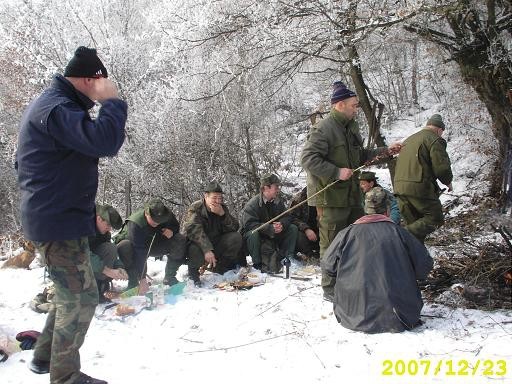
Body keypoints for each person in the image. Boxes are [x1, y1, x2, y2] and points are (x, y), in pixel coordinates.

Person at [16, 46, 127, 383]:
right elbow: (105, 141)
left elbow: (22, 162)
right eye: (99, 83)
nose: (103, 88)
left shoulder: (54, 105)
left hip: (58, 219)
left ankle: (44, 357)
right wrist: (113, 102)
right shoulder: (57, 108)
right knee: (81, 297)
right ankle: (64, 377)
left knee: (71, 294)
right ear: (86, 79)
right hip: (57, 223)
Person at [301, 81, 401, 301]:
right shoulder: (323, 129)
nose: (356, 109)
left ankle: (352, 281)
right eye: (354, 105)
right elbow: (308, 159)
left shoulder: (350, 127)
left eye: (357, 105)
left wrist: (386, 151)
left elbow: (361, 156)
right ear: (340, 105)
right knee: (331, 244)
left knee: (356, 239)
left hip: (352, 198)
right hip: (331, 199)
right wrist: (336, 172)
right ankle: (330, 290)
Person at [322, 186, 433, 333]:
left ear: (365, 209)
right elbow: (424, 266)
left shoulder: (347, 233)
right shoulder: (400, 233)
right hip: (399, 315)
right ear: (387, 210)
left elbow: (328, 266)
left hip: (352, 314)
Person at [394, 114, 453, 242]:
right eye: (441, 132)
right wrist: (448, 181)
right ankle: (399, 235)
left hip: (399, 187)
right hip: (418, 187)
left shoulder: (408, 140)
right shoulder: (434, 139)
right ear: (439, 129)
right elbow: (442, 168)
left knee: (416, 231)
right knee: (435, 219)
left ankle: (412, 258)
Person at [114, 199, 187, 290]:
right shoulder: (135, 223)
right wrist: (142, 278)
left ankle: (170, 276)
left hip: (154, 243)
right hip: (134, 246)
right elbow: (139, 252)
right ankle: (133, 281)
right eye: (154, 220)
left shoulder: (166, 214)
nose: (157, 223)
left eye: (160, 221)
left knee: (180, 239)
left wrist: (171, 231)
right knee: (125, 247)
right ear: (147, 213)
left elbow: (175, 226)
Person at [183, 181, 244, 286]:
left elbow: (235, 227)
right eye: (214, 197)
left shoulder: (222, 208)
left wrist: (223, 215)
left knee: (236, 238)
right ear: (206, 196)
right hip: (199, 244)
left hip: (216, 242)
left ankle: (219, 267)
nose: (217, 201)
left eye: (220, 198)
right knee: (194, 249)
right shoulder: (196, 208)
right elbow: (195, 230)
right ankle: (193, 273)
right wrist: (207, 249)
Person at [240, 174, 298, 273]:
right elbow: (249, 225)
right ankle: (257, 264)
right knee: (253, 234)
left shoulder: (278, 202)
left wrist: (281, 225)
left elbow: (287, 217)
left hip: (272, 235)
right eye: (276, 187)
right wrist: (270, 228)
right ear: (266, 188)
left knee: (292, 228)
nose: (278, 190)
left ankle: (288, 258)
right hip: (257, 238)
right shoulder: (252, 204)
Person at [89, 204, 128, 301]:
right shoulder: (83, 226)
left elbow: (111, 251)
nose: (109, 229)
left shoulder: (104, 232)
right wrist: (107, 270)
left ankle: (100, 285)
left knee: (110, 248)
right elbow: (81, 253)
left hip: (90, 259)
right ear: (99, 219)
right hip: (68, 260)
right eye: (108, 225)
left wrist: (119, 267)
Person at [289, 187, 319, 259]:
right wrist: (306, 229)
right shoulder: (299, 199)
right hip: (304, 233)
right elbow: (292, 218)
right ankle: (309, 255)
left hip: (319, 230)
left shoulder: (325, 196)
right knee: (297, 234)